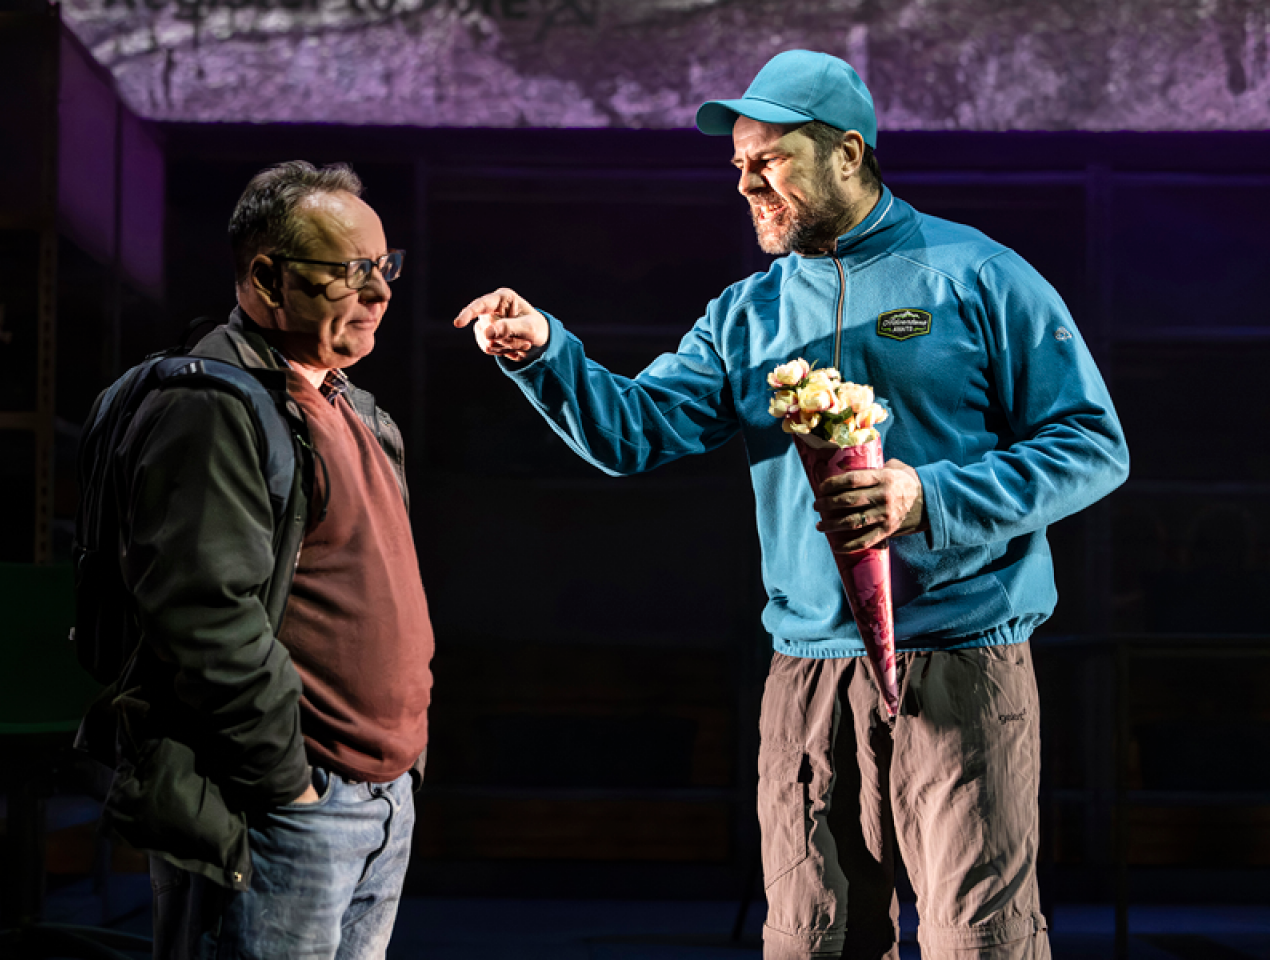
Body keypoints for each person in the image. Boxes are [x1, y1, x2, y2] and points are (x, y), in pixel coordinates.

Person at [454, 51, 1128, 960]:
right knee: (814, 943)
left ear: (847, 152)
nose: (745, 183)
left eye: (768, 160)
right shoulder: (745, 314)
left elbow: (1091, 446)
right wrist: (544, 354)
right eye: (738, 164)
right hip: (807, 672)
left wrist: (926, 496)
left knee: (981, 945)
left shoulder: (978, 275)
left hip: (962, 663)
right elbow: (634, 433)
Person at [107, 161, 433, 959]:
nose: (378, 292)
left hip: (377, 802)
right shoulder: (212, 407)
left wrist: (399, 773)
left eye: (383, 267)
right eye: (350, 271)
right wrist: (288, 783)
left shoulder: (354, 410)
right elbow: (201, 617)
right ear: (266, 278)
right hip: (285, 810)